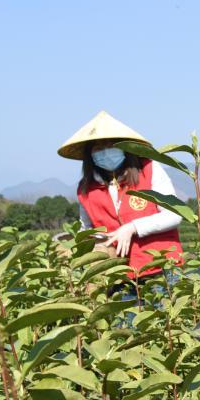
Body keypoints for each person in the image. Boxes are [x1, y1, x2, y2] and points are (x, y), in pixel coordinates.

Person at [58, 110, 184, 289]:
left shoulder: (149, 169)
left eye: (111, 145)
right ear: (90, 155)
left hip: (161, 269)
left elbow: (174, 214)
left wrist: (132, 228)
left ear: (125, 148)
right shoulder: (87, 189)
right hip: (119, 277)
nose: (105, 152)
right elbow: (87, 229)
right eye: (98, 148)